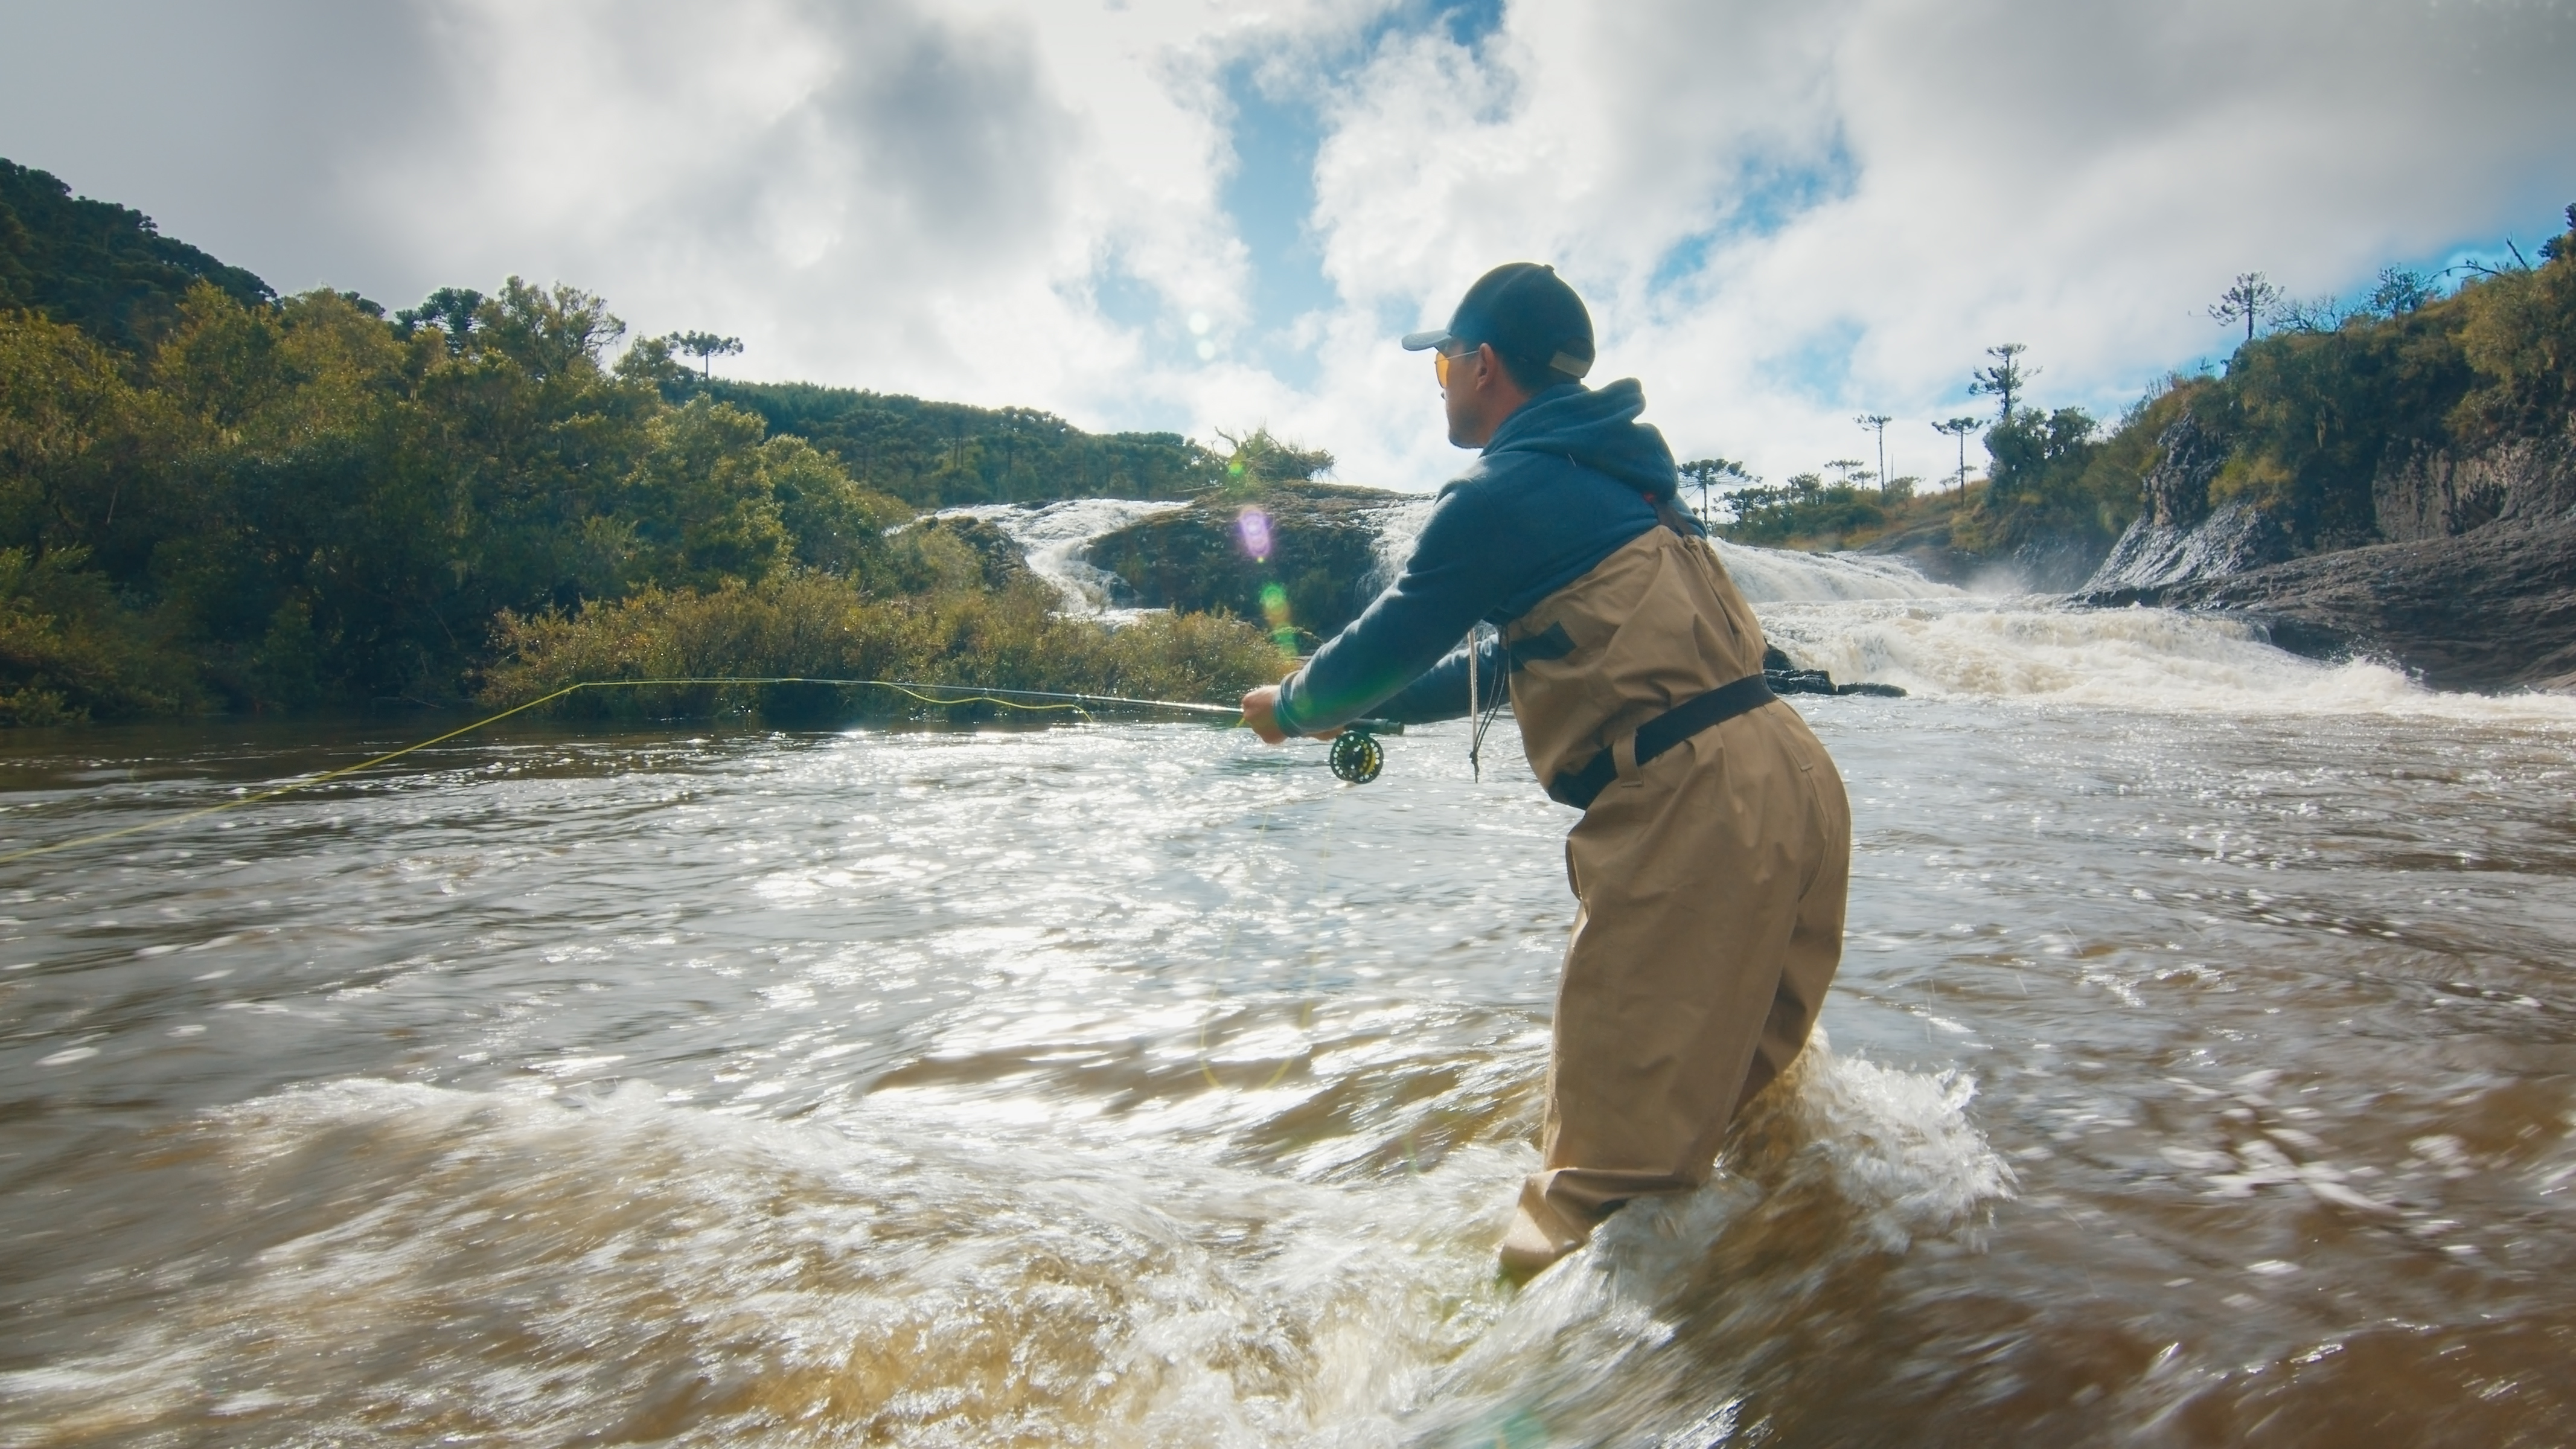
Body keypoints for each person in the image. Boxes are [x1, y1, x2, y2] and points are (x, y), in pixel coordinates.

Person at [1241, 263, 1852, 1280]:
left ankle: (1525, 1391)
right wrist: (1363, 708)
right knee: (1738, 1119)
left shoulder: (1497, 494)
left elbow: (1393, 636)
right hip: (1791, 779)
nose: (1438, 381)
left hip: (1692, 812)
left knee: (1596, 1187)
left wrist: (1297, 706)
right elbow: (1507, 663)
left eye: (1442, 361)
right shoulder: (1624, 479)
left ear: (1484, 367)